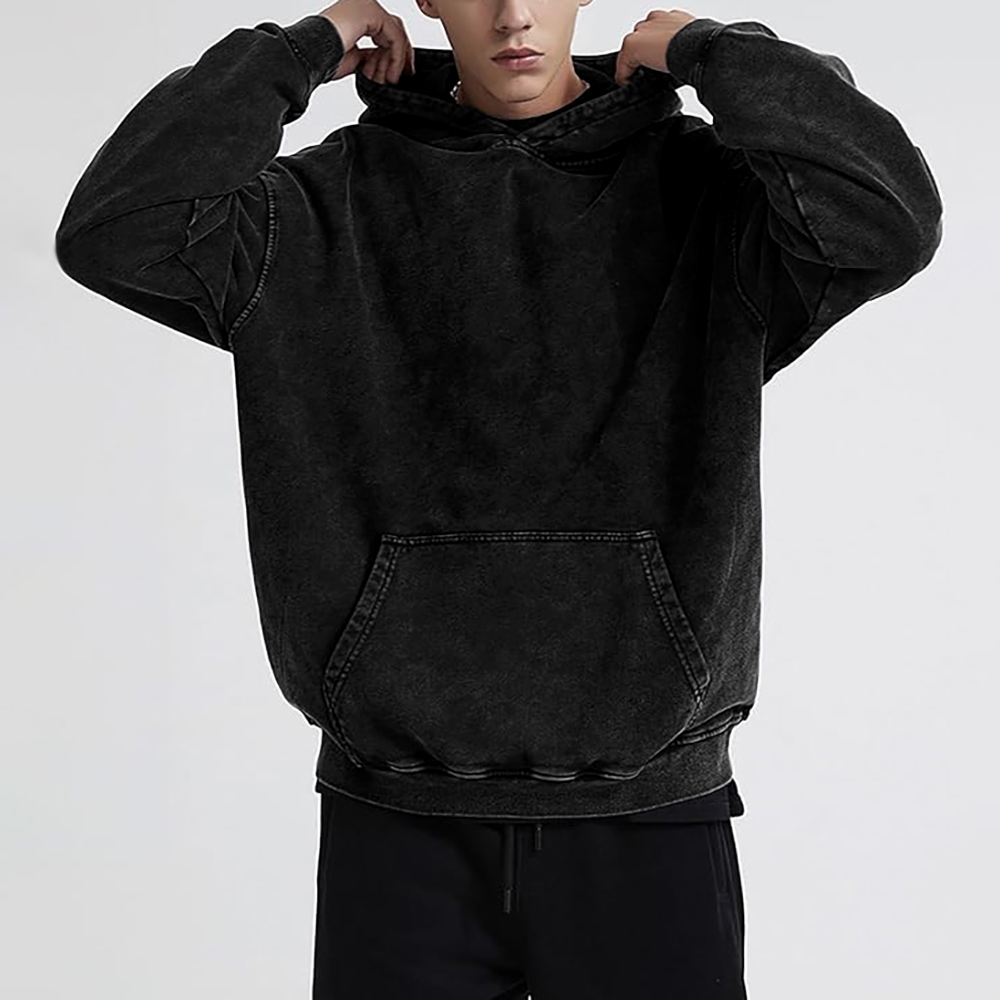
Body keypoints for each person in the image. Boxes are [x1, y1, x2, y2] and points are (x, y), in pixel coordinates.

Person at [54, 0, 943, 996]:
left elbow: (888, 218)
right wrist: (300, 48)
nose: (514, 14)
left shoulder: (713, 201)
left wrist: (711, 51)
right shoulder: (308, 215)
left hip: (648, 816)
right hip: (398, 826)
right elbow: (118, 228)